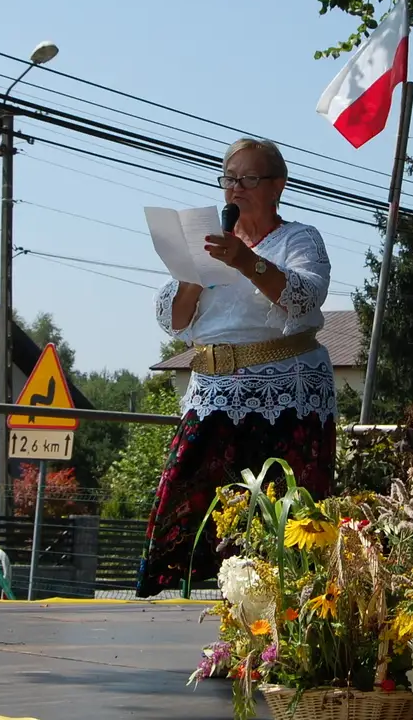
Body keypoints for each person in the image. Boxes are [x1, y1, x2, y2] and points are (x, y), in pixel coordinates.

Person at [135, 137, 336, 598]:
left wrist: (246, 261)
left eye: (249, 178)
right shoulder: (207, 244)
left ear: (277, 186)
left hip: (288, 393)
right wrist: (194, 273)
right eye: (229, 179)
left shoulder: (299, 238)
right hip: (212, 391)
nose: (236, 188)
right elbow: (174, 320)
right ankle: (190, 599)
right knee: (186, 498)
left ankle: (286, 610)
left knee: (284, 515)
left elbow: (305, 297)